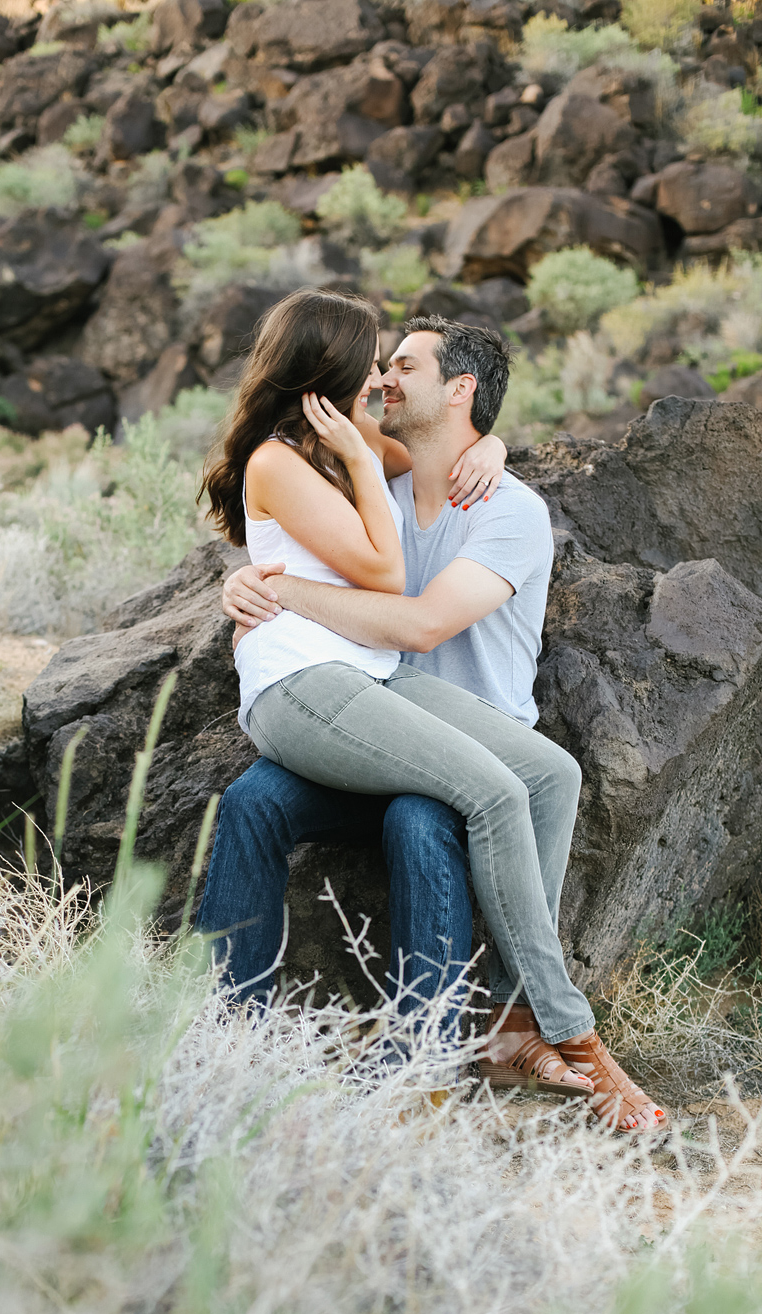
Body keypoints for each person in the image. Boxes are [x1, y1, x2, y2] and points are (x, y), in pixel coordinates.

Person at [193, 293, 662, 1132]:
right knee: (258, 802)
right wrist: (253, 583)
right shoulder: (345, 462)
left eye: (400, 365)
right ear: (330, 374)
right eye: (376, 362)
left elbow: (406, 605)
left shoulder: (465, 490)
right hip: (343, 692)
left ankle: (493, 1026)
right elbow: (372, 565)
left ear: (460, 392)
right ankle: (234, 1030)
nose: (383, 378)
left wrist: (491, 444)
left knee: (543, 773)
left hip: (388, 693)